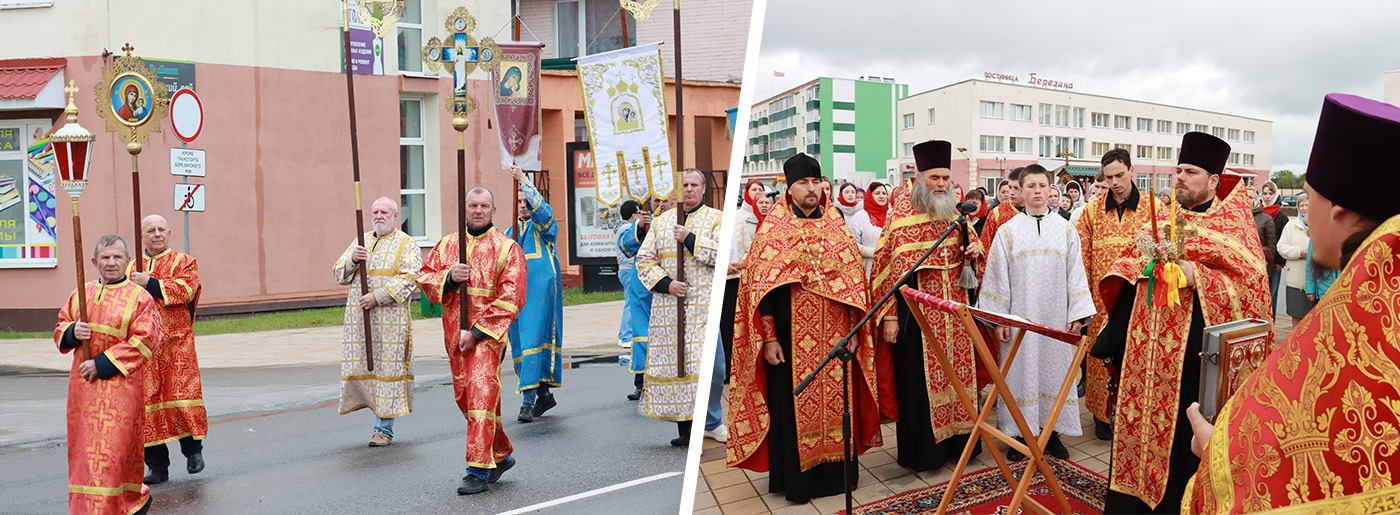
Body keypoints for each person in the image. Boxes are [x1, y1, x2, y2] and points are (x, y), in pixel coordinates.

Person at [1180, 93, 1400, 513]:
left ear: (1336, 209)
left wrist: (1216, 453)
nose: (1306, 215)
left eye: (1310, 197)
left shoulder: (1357, 318)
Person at [1090, 132, 1270, 513]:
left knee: (1181, 458)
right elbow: (1130, 262)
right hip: (1146, 365)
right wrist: (1141, 269)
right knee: (1137, 442)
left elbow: (1250, 288)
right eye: (1178, 170)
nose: (1180, 178)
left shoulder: (1233, 227)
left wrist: (1196, 275)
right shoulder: (1165, 219)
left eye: (1190, 172)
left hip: (1194, 366)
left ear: (1213, 180)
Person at [728, 153, 883, 503]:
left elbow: (855, 283)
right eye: (803, 183)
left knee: (838, 406)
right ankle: (798, 483)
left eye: (816, 182)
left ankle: (836, 479)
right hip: (788, 337)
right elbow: (761, 292)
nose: (811, 189)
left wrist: (855, 331)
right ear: (790, 188)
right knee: (791, 408)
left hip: (837, 335)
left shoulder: (835, 226)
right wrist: (769, 338)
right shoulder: (774, 230)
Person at [872, 140, 982, 471]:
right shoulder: (900, 216)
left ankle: (961, 447)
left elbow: (975, 255)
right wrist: (889, 318)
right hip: (917, 318)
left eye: (946, 178)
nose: (941, 184)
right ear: (920, 178)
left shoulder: (956, 213)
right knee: (918, 386)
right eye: (935, 178)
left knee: (961, 379)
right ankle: (925, 455)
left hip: (957, 314)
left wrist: (973, 252)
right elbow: (883, 269)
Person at [978, 165, 1096, 461]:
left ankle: (1052, 434)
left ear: (1050, 188)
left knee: (1055, 375)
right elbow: (997, 277)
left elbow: (1076, 274)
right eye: (1031, 186)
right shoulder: (1008, 231)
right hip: (1020, 320)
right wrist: (999, 320)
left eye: (1042, 185)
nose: (1037, 191)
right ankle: (1018, 436)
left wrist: (1077, 314)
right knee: (1019, 375)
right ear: (1020, 190)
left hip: (1056, 319)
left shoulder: (1065, 229)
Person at [416, 186, 527, 495]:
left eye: (484, 206)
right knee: (466, 398)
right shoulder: (448, 245)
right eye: (473, 205)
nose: (478, 210)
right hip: (454, 334)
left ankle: (477, 471)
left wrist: (476, 333)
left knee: (481, 395)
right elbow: (425, 277)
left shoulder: (507, 249)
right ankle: (500, 454)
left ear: (493, 210)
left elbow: (512, 297)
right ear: (464, 209)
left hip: (487, 337)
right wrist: (450, 278)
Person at [57, 235, 161, 515]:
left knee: (110, 457)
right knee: (84, 457)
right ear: (95, 262)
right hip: (83, 391)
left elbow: (146, 340)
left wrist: (102, 364)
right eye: (105, 257)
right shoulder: (81, 293)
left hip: (119, 391)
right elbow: (61, 325)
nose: (111, 262)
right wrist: (73, 332)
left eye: (117, 257)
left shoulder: (140, 298)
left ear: (128, 261)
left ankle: (121, 504)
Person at [1076, 149, 1163, 441]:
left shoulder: (1155, 208)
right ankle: (1102, 416)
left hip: (1140, 301)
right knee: (1101, 358)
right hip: (1100, 303)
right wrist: (1082, 301)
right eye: (1109, 177)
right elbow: (1081, 258)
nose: (1114, 182)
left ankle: (1133, 416)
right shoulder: (1091, 211)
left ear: (1131, 171)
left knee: (1137, 358)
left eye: (1119, 175)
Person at [635, 169, 722, 446]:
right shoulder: (662, 222)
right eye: (684, 184)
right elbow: (644, 259)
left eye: (695, 184)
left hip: (703, 308)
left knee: (711, 367)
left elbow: (722, 254)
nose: (690, 189)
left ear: (703, 189)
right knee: (678, 368)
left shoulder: (716, 218)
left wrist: (690, 238)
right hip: (670, 309)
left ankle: (711, 422)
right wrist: (668, 284)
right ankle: (686, 430)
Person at [332, 198, 423, 447]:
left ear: (395, 215)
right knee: (363, 368)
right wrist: (353, 259)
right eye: (375, 212)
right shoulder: (361, 241)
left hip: (390, 322)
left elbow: (410, 278)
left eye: (384, 212)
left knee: (388, 370)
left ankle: (383, 429)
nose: (379, 216)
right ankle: (373, 415)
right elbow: (339, 273)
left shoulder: (406, 243)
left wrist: (378, 297)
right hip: (361, 322)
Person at [125, 215, 207, 484]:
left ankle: (193, 453)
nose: (157, 234)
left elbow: (185, 290)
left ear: (169, 233)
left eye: (161, 229)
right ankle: (157, 467)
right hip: (145, 347)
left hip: (176, 345)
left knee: (181, 397)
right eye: (151, 230)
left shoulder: (185, 262)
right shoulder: (131, 267)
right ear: (142, 236)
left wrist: (148, 283)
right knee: (146, 404)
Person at [504, 166, 564, 422]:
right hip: (516, 298)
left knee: (532, 343)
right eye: (519, 201)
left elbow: (544, 213)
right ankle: (543, 394)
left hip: (540, 298)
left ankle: (527, 402)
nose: (523, 205)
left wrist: (523, 181)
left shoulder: (544, 227)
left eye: (527, 200)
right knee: (521, 346)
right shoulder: (509, 233)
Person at [619, 197, 671, 400]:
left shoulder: (679, 220)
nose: (661, 204)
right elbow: (625, 247)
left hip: (668, 284)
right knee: (641, 334)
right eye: (657, 200)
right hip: (641, 285)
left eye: (665, 200)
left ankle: (665, 382)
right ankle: (641, 383)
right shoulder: (641, 221)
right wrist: (640, 227)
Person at [720, 179, 768, 384]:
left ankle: (740, 366)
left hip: (740, 276)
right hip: (725, 279)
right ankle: (726, 368)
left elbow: (750, 246)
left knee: (740, 323)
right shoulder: (721, 220)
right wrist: (724, 266)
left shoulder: (739, 221)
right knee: (725, 324)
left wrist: (742, 262)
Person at [1274, 192, 1313, 325]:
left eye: (1307, 205)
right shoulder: (1291, 226)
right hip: (1295, 279)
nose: (1304, 208)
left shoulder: (1319, 225)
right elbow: (1281, 247)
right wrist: (1299, 253)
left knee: (1312, 318)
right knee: (1296, 314)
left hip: (1314, 280)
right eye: (1301, 205)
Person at [979, 167, 1025, 257]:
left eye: (1016, 188)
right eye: (1010, 187)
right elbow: (985, 247)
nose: (1011, 193)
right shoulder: (997, 213)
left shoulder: (1039, 214)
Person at [1260, 180, 1290, 316]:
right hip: (1260, 261)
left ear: (1275, 194)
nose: (1267, 197)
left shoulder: (1282, 216)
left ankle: (1272, 322)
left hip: (1275, 263)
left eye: (1270, 193)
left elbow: (1284, 240)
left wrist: (1281, 262)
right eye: (1265, 193)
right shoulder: (1257, 212)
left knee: (1272, 294)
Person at [845, 181, 889, 274]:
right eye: (877, 193)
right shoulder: (859, 217)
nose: (881, 196)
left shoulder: (892, 215)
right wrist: (872, 252)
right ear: (869, 196)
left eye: (884, 193)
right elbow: (852, 244)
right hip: (868, 267)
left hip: (890, 267)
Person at [614, 201, 641, 349]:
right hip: (628, 269)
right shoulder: (627, 228)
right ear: (633, 215)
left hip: (625, 269)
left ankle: (622, 335)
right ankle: (626, 336)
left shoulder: (621, 227)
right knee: (631, 303)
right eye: (638, 212)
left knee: (630, 301)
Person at [1247, 189, 1278, 311]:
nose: (1247, 199)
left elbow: (1271, 247)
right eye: (1244, 196)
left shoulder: (1265, 219)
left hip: (1259, 266)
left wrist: (1268, 270)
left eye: (1250, 197)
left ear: (1256, 200)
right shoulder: (1235, 217)